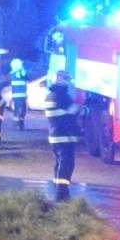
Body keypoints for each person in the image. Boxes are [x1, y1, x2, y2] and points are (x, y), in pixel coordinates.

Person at [45, 69, 85, 201]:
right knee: (66, 164)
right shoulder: (62, 95)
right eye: (67, 79)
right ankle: (61, 194)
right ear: (61, 79)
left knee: (59, 164)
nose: (69, 82)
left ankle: (60, 192)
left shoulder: (50, 95)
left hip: (55, 136)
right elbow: (74, 111)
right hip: (64, 136)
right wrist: (85, 108)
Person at [8, 57, 29, 129]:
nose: (22, 65)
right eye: (21, 64)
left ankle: (19, 124)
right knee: (21, 109)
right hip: (20, 95)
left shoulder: (13, 73)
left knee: (19, 109)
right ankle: (18, 124)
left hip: (18, 95)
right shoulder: (19, 72)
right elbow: (26, 76)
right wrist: (23, 69)